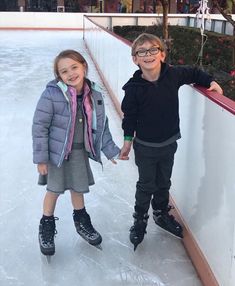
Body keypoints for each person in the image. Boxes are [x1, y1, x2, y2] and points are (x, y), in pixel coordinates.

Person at [119, 33, 223, 251]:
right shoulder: (133, 88)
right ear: (135, 59)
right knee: (146, 184)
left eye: (153, 50)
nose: (148, 55)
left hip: (169, 143)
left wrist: (210, 81)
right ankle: (140, 220)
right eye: (142, 52)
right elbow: (129, 118)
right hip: (145, 147)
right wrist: (128, 142)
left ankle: (160, 213)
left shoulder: (173, 75)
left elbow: (194, 72)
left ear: (162, 55)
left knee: (164, 182)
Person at [32, 49, 127, 256]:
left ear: (84, 66)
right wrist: (41, 158)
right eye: (64, 71)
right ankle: (46, 224)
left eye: (74, 67)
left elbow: (101, 126)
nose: (70, 73)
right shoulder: (52, 94)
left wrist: (110, 150)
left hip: (78, 152)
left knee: (78, 188)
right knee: (54, 191)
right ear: (59, 76)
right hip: (56, 154)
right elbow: (39, 126)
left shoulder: (95, 95)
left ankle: (81, 220)